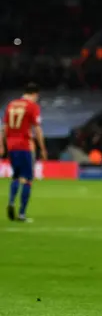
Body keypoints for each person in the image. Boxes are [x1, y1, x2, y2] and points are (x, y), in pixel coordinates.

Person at [0, 82, 47, 222]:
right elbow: (37, 129)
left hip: (11, 145)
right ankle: (21, 214)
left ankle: (11, 202)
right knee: (28, 180)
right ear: (35, 94)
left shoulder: (11, 104)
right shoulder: (32, 107)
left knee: (16, 176)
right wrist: (43, 148)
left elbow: (4, 127)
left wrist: (2, 146)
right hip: (25, 145)